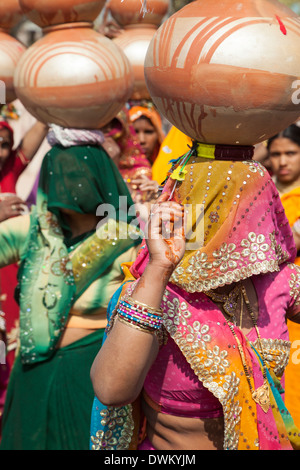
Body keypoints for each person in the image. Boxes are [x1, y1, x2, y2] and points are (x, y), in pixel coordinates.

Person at [90, 140, 300, 450]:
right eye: (226, 208)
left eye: (254, 205)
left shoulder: (278, 279)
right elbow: (110, 390)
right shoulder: (156, 293)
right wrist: (160, 267)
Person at [0, 131, 141, 450]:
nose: (67, 181)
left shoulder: (127, 243)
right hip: (32, 375)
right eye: (59, 171)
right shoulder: (34, 230)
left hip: (93, 378)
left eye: (76, 173)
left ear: (98, 176)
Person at [0, 119, 48, 435]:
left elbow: (42, 122)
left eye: (4, 142)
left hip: (10, 273)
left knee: (12, 352)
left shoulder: (9, 171)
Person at [268, 124, 300, 429]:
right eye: (276, 154)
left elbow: (289, 245)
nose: (283, 161)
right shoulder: (265, 192)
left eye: (291, 152)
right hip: (269, 303)